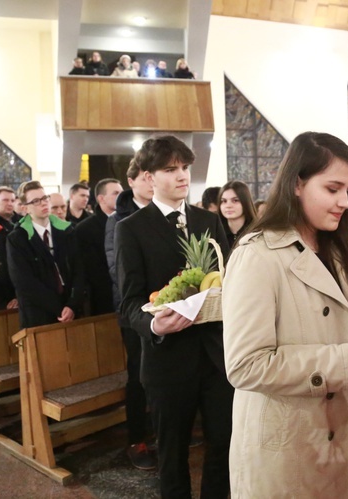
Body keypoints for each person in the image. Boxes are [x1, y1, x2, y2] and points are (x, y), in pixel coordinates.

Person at [222, 132, 348, 498]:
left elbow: (339, 331)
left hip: (345, 434)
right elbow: (245, 364)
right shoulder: (257, 254)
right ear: (297, 184)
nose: (344, 202)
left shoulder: (338, 249)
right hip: (292, 444)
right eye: (332, 189)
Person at [115, 136, 232, 498]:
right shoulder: (131, 228)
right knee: (172, 454)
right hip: (168, 359)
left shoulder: (209, 221)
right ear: (149, 177)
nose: (182, 176)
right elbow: (129, 303)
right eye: (171, 169)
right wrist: (153, 324)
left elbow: (228, 278)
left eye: (185, 167)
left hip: (215, 355)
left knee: (224, 445)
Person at [104, 160, 157, 471]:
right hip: (135, 310)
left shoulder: (163, 212)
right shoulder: (118, 220)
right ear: (132, 181)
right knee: (138, 375)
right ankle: (137, 439)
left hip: (164, 306)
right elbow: (117, 268)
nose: (152, 183)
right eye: (146, 177)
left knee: (164, 373)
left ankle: (164, 429)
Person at [7, 181, 85, 328]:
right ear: (25, 208)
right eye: (36, 201)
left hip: (71, 309)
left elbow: (79, 269)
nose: (43, 204)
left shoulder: (67, 231)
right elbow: (24, 281)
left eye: (45, 198)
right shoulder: (17, 238)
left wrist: (72, 304)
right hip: (38, 313)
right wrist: (59, 308)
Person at [75, 178, 122, 316]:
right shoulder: (85, 228)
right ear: (101, 198)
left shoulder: (129, 222)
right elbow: (89, 268)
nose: (121, 196)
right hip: (103, 297)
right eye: (115, 193)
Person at [218, 180, 256, 249]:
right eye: (224, 201)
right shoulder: (215, 233)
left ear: (245, 202)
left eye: (235, 200)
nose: (228, 206)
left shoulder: (257, 232)